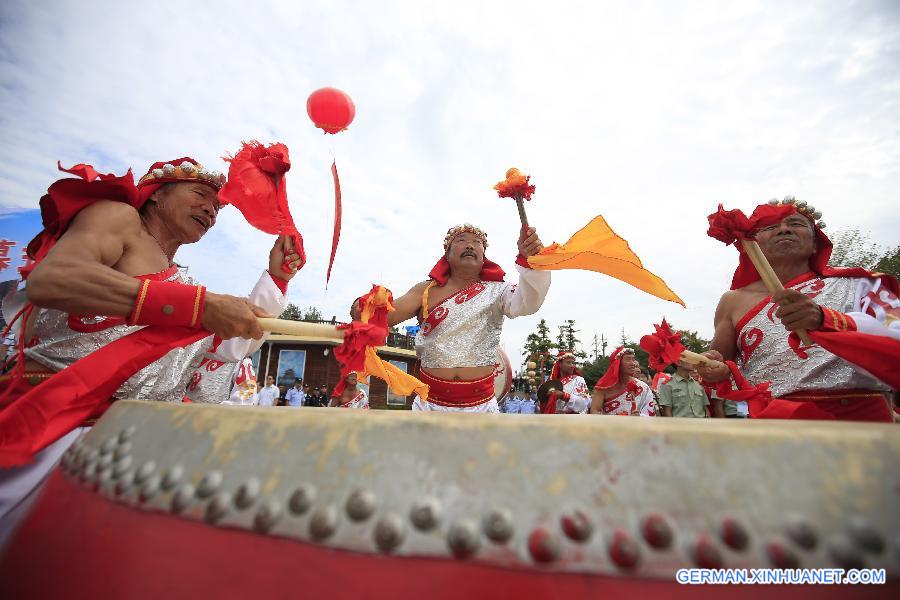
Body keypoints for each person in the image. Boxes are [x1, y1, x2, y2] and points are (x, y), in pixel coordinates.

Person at [0, 157, 302, 546]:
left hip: (127, 442)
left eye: (217, 206)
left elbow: (222, 348)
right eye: (200, 195)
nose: (211, 210)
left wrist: (275, 277)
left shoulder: (182, 280)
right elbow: (56, 278)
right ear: (158, 194)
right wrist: (198, 306)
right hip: (50, 425)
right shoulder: (118, 218)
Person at [699, 198, 900, 421]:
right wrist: (712, 368)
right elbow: (721, 368)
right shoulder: (732, 301)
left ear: (816, 244)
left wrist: (828, 320)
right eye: (771, 226)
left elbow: (895, 338)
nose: (784, 229)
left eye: (796, 223)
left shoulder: (858, 284)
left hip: (857, 416)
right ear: (753, 244)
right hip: (773, 419)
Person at [355, 224, 549, 413]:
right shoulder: (425, 291)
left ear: (484, 256)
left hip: (481, 406)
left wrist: (532, 260)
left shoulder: (499, 290)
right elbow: (381, 317)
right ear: (447, 253)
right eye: (461, 240)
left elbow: (528, 302)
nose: (470, 245)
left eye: (477, 242)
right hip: (430, 405)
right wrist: (364, 307)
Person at [590, 347, 656, 416]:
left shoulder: (643, 387)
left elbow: (649, 414)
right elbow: (595, 411)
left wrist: (639, 417)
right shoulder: (602, 387)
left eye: (633, 360)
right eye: (628, 359)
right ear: (617, 363)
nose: (633, 364)